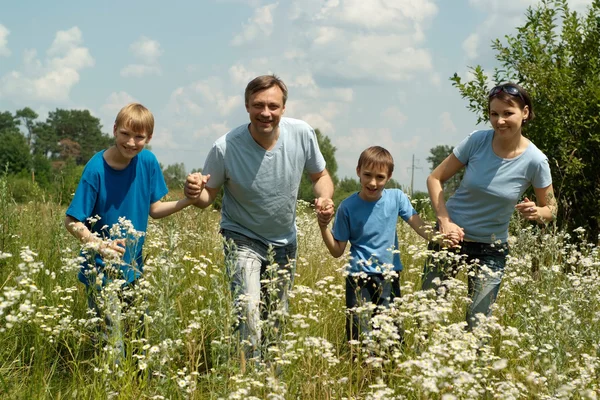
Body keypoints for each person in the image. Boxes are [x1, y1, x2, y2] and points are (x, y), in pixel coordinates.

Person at [185, 75, 334, 362]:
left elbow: (321, 176)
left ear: (283, 108)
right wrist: (193, 192)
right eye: (258, 105)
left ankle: (270, 383)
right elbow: (206, 199)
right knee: (250, 316)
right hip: (241, 237)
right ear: (246, 106)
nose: (266, 113)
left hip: (284, 241)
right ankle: (246, 381)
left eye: (273, 106)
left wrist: (325, 198)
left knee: (275, 322)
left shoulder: (302, 133)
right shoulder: (225, 147)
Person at [421, 82, 557, 330]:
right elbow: (434, 178)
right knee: (427, 315)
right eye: (494, 114)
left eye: (508, 113)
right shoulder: (477, 141)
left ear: (524, 113)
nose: (500, 121)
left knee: (477, 325)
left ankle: (472, 368)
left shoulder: (536, 161)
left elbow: (551, 209)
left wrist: (537, 212)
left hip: (491, 249)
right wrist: (444, 221)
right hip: (449, 239)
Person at [65, 103, 194, 349]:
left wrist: (188, 200)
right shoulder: (95, 170)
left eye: (139, 137)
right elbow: (72, 220)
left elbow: (154, 209)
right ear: (114, 130)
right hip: (100, 271)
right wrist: (100, 246)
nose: (131, 142)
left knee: (137, 340)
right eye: (125, 134)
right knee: (112, 345)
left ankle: (133, 387)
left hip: (133, 268)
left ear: (149, 138)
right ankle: (107, 386)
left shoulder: (147, 161)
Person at [319, 146, 439, 343]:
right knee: (360, 334)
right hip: (358, 278)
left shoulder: (397, 197)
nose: (373, 182)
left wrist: (444, 238)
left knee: (391, 334)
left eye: (380, 177)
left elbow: (419, 226)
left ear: (389, 176)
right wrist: (323, 226)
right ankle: (362, 373)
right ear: (358, 171)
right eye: (367, 175)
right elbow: (336, 250)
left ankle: (389, 370)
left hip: (389, 277)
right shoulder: (347, 207)